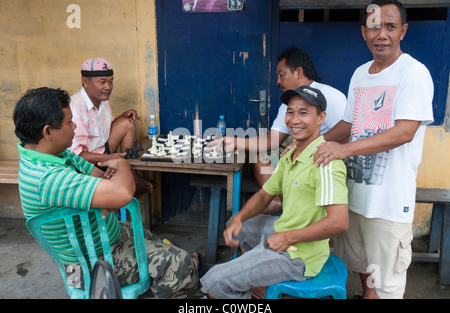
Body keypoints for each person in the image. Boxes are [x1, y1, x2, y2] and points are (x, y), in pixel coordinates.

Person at [13, 87, 201, 298]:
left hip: (105, 235)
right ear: (47, 132)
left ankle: (181, 275)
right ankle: (185, 273)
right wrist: (122, 165)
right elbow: (122, 192)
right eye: (68, 122)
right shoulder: (47, 178)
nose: (74, 126)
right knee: (178, 262)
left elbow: (99, 177)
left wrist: (110, 193)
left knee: (151, 237)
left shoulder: (55, 153)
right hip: (91, 263)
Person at [313, 0, 434, 299]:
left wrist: (344, 150)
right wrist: (311, 146)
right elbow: (348, 124)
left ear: (403, 31)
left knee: (387, 282)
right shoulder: (360, 74)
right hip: (354, 196)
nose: (382, 34)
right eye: (374, 26)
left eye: (390, 27)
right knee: (361, 267)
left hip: (388, 203)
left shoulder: (413, 74)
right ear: (363, 32)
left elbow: (405, 132)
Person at [200, 86, 348, 299]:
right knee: (239, 226)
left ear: (320, 118)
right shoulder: (292, 154)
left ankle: (250, 285)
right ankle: (258, 284)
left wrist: (288, 237)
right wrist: (239, 217)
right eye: (290, 112)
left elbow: (339, 222)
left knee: (214, 281)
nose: (294, 120)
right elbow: (265, 195)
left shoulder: (325, 162)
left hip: (300, 256)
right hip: (286, 231)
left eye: (303, 113)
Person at [209, 46, 346, 214]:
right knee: (256, 153)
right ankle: (278, 198)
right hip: (298, 157)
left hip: (322, 162)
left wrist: (308, 146)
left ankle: (288, 198)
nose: (278, 81)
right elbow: (270, 141)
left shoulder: (329, 95)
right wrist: (234, 142)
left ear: (298, 72)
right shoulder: (289, 101)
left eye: (281, 75)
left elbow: (349, 130)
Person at [69, 58, 154, 196]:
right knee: (121, 182)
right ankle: (127, 184)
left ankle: (133, 175)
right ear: (85, 81)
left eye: (111, 81)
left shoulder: (101, 100)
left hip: (102, 151)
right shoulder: (75, 107)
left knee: (127, 123)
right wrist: (109, 158)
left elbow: (104, 126)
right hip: (86, 164)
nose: (108, 87)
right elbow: (77, 155)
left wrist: (122, 116)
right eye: (102, 82)